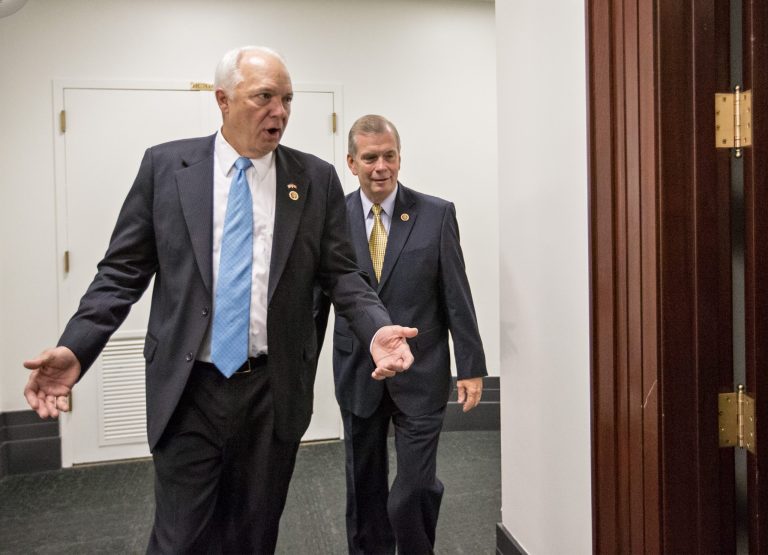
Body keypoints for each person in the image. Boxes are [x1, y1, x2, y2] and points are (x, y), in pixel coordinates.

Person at [22, 48, 417, 554]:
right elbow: (121, 272)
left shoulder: (312, 178)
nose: (280, 112)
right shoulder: (167, 167)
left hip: (271, 393)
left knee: (253, 536)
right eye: (265, 97)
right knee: (180, 537)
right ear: (223, 100)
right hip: (189, 388)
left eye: (288, 99)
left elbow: (342, 273)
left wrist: (375, 326)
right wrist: (76, 348)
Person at [316, 115, 487, 554]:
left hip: (423, 372)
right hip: (359, 371)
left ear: (399, 157)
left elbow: (456, 294)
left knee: (411, 489)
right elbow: (319, 300)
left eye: (389, 156)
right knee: (364, 488)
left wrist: (471, 367)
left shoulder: (435, 214)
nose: (381, 167)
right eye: (370, 158)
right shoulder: (332, 221)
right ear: (351, 162)